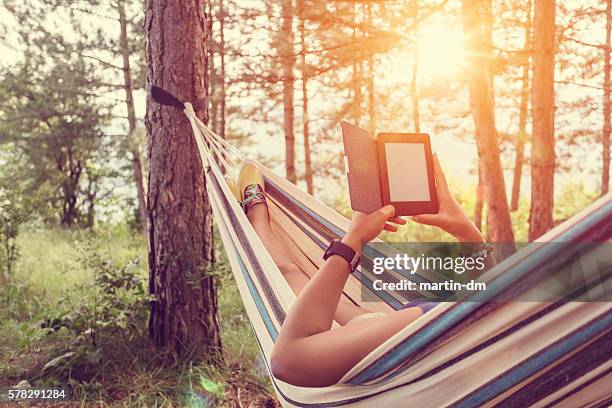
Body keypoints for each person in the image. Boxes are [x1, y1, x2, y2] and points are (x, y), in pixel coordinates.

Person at [226, 156, 488, 387]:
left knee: (292, 275)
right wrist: (468, 234)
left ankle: (256, 213)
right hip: (419, 329)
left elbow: (287, 361)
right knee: (295, 277)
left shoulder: (439, 325)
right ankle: (257, 217)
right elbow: (492, 309)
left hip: (418, 336)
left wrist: (354, 240)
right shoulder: (516, 328)